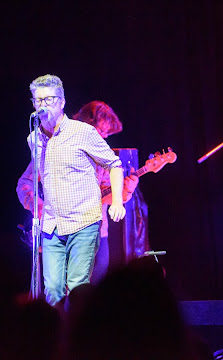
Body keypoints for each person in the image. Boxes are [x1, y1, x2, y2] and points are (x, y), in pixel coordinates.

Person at [16, 74, 126, 306]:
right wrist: (36, 206)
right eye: (38, 100)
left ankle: (80, 338)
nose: (43, 105)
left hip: (84, 224)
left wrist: (118, 198)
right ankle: (54, 339)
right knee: (53, 290)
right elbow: (27, 183)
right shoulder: (34, 138)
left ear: (63, 101)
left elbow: (114, 168)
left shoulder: (84, 134)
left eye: (50, 99)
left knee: (80, 288)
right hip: (52, 224)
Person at [73, 101, 139, 284]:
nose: (103, 137)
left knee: (98, 280)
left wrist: (126, 190)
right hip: (68, 230)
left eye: (106, 133)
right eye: (100, 131)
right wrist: (37, 206)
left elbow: (105, 193)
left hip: (97, 231)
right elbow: (27, 183)